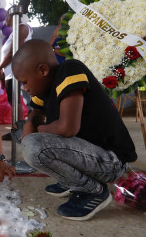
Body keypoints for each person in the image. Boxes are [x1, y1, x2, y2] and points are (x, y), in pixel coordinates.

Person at [13, 39, 138, 220]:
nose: (25, 88)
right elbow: (34, 114)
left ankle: (92, 191)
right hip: (87, 154)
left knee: (32, 145)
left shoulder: (70, 70)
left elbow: (67, 128)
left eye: (25, 82)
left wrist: (34, 131)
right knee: (19, 131)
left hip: (111, 161)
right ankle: (70, 180)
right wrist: (30, 124)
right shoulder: (44, 87)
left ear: (43, 70)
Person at [0, 8, 33, 141]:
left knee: (15, 102)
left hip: (15, 72)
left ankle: (19, 132)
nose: (5, 21)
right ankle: (17, 131)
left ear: (12, 17)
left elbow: (13, 53)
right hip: (11, 72)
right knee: (14, 102)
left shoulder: (22, 28)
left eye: (6, 17)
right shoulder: (16, 30)